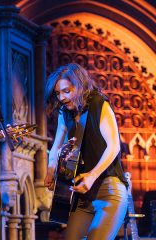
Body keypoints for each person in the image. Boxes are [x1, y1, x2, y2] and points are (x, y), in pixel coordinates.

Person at [43, 63, 128, 239]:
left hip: (108, 191)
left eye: (67, 91)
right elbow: (56, 147)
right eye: (58, 94)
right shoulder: (64, 113)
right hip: (81, 196)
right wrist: (51, 169)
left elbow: (114, 146)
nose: (62, 98)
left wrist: (92, 175)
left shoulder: (99, 104)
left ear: (80, 85)